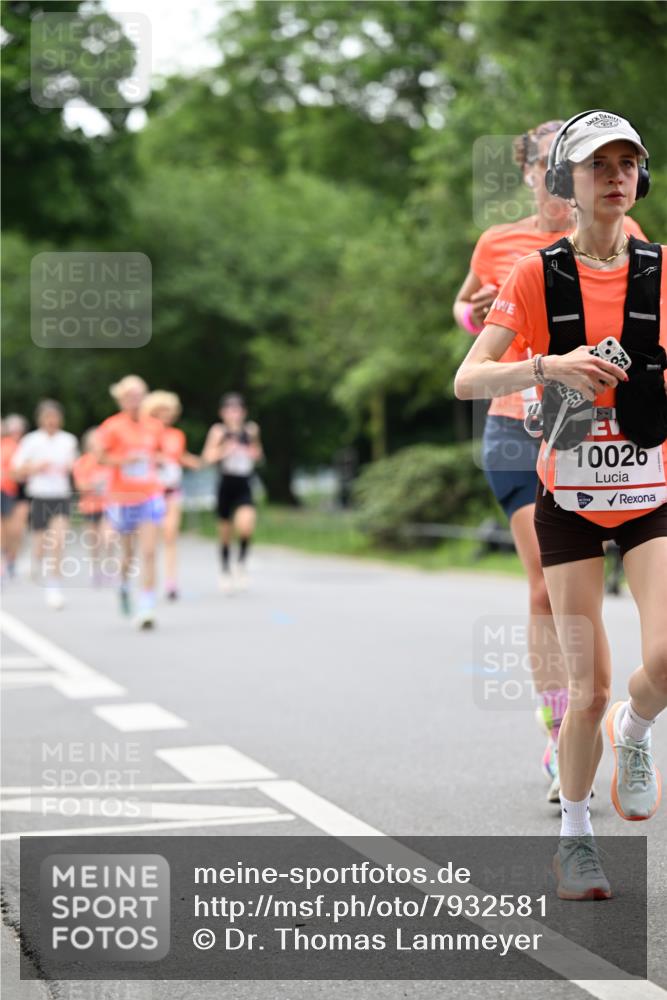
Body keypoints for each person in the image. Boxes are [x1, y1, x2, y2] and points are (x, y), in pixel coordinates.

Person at [455, 110, 666, 900]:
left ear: (639, 177)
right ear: (560, 181)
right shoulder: (530, 272)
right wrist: (548, 366)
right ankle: (574, 838)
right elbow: (467, 377)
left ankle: (634, 732)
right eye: (595, 165)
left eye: (626, 163)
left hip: (648, 492)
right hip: (568, 497)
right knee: (589, 691)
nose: (614, 176)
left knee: (662, 661)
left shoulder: (659, 269)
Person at [95, 375, 166, 629]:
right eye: (129, 396)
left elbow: (159, 453)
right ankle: (124, 585)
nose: (134, 400)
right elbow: (100, 458)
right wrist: (125, 461)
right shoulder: (112, 426)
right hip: (123, 497)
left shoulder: (154, 426)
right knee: (128, 554)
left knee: (149, 551)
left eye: (138, 396)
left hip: (149, 494)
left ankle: (147, 606)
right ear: (121, 399)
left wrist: (158, 460)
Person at [10, 401, 78, 608]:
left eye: (55, 417)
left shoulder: (68, 440)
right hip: (40, 496)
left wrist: (72, 468)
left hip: (60, 496)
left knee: (58, 541)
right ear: (40, 420)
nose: (51, 421)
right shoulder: (31, 441)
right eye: (47, 417)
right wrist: (36, 467)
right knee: (40, 544)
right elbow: (16, 470)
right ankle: (35, 561)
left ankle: (54, 587)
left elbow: (75, 466)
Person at [141, 391, 200, 600]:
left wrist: (195, 461)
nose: (165, 415)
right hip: (151, 491)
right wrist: (157, 457)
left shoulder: (177, 435)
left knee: (170, 534)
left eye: (169, 411)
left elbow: (179, 456)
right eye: (161, 411)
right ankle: (150, 581)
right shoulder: (145, 433)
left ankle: (171, 581)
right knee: (151, 538)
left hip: (172, 489)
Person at [202, 393, 263, 593]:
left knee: (246, 525)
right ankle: (225, 570)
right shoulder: (218, 431)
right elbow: (207, 458)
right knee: (225, 531)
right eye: (229, 410)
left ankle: (241, 563)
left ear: (243, 412)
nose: (234, 414)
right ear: (223, 413)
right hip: (226, 483)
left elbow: (258, 454)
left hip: (244, 482)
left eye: (237, 410)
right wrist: (224, 450)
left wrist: (253, 452)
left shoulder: (251, 430)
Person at [73, 428, 115, 587]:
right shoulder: (82, 462)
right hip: (89, 506)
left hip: (109, 505)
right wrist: (96, 483)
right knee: (94, 540)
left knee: (108, 538)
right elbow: (81, 486)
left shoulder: (110, 460)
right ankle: (95, 569)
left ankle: (108, 567)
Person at [1, 414, 29, 578]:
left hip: (21, 492)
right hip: (6, 490)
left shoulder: (24, 446)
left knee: (16, 530)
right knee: (4, 530)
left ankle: (12, 559)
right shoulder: (6, 445)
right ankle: (6, 559)